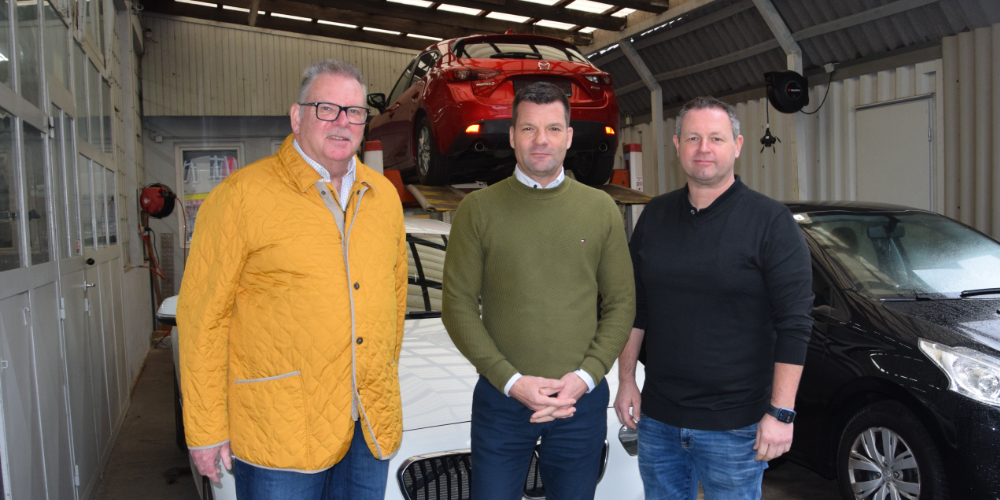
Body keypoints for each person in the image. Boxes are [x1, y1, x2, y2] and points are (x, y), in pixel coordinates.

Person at [176, 59, 406, 500]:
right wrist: (205, 428)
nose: (342, 122)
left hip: (368, 424)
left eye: (354, 111)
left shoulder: (383, 200)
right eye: (326, 108)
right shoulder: (240, 198)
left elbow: (393, 303)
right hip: (280, 432)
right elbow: (203, 318)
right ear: (297, 117)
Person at [441, 82, 635, 500]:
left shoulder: (600, 209)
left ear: (568, 135)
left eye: (552, 128)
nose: (541, 140)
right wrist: (510, 381)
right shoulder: (477, 210)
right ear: (512, 136)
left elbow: (622, 303)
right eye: (528, 129)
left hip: (579, 400)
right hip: (501, 399)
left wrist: (586, 376)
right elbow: (456, 306)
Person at [614, 96, 814, 500]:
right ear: (677, 146)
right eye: (693, 138)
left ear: (737, 146)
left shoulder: (770, 221)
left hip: (736, 426)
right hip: (659, 419)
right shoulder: (654, 216)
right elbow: (636, 309)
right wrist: (625, 381)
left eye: (716, 138)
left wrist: (781, 413)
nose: (704, 148)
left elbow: (794, 323)